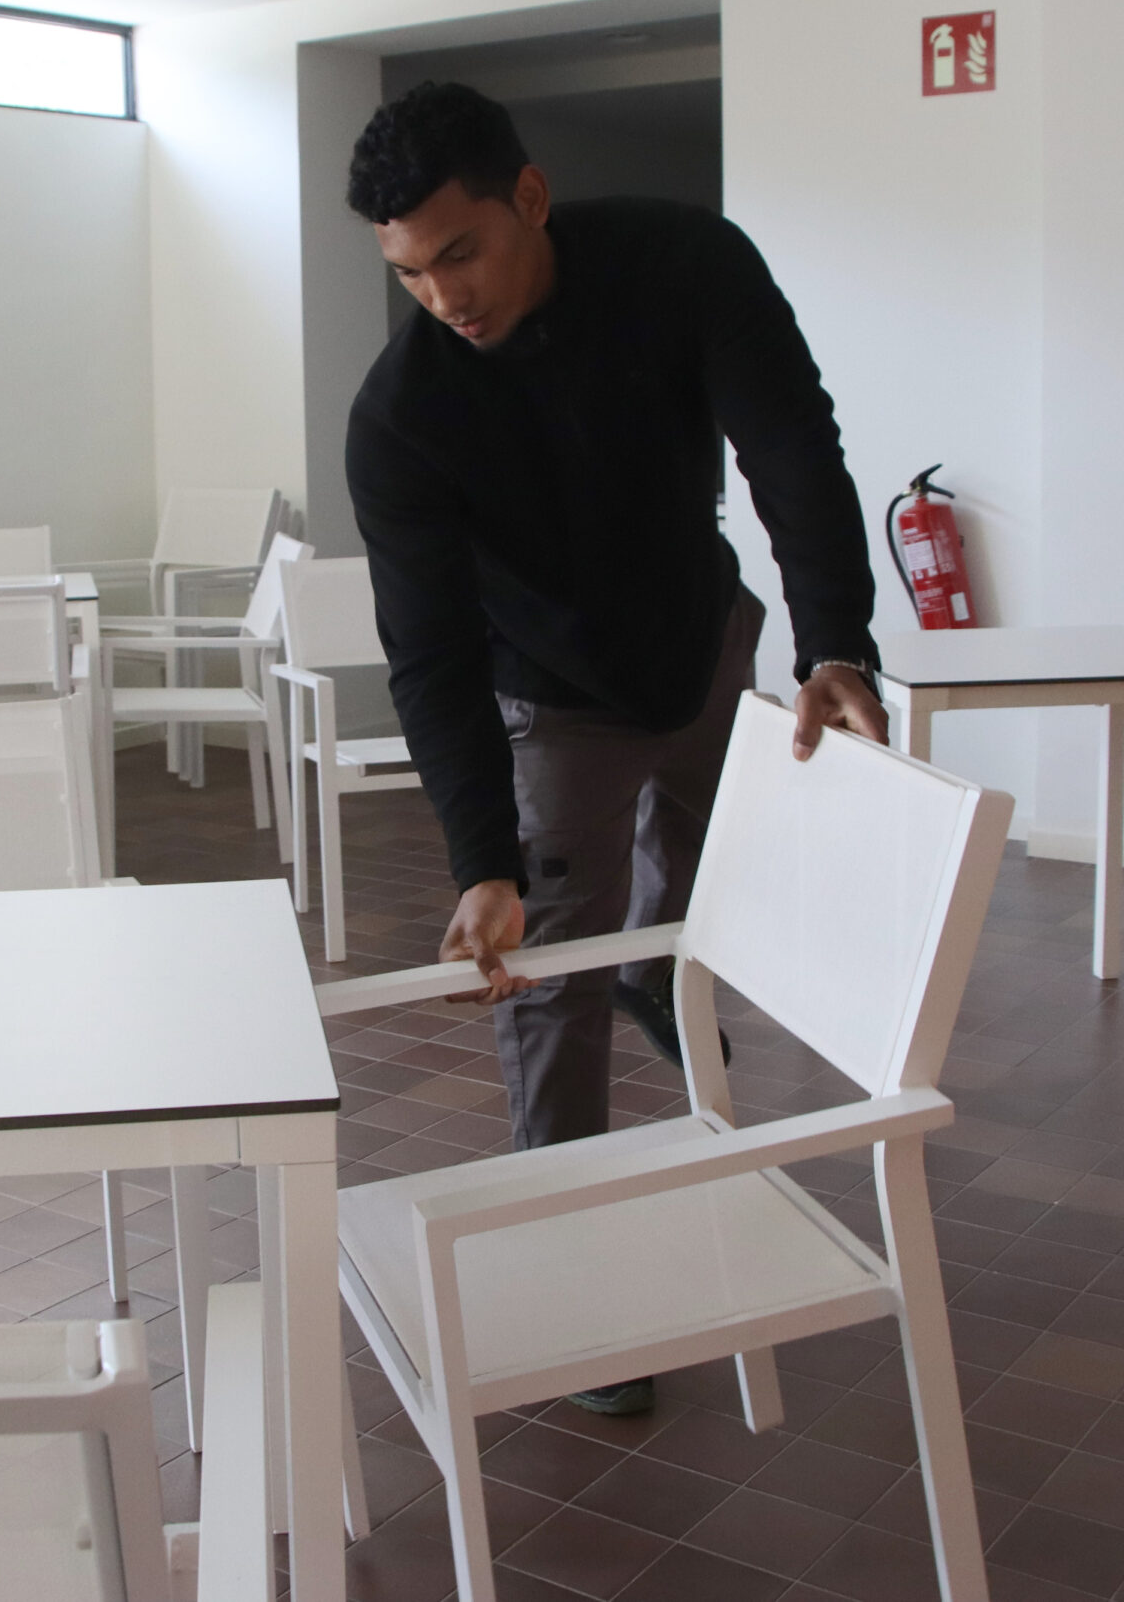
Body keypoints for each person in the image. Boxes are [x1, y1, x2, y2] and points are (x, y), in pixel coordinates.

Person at [343, 82, 887, 1411]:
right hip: (555, 696)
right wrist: (482, 861)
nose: (443, 296)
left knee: (703, 875)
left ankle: (658, 968)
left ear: (529, 198)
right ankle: (572, 1267)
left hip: (702, 639)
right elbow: (429, 655)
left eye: (461, 252)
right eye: (409, 273)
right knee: (552, 964)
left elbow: (790, 442)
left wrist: (836, 643)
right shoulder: (402, 416)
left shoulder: (683, 260)